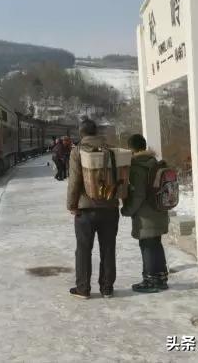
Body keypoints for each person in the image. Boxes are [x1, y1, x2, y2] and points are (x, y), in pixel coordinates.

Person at [67, 119, 120, 298]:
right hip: (110, 207)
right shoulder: (110, 149)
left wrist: (71, 205)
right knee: (108, 248)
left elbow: (74, 181)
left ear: (81, 133)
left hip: (86, 209)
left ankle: (83, 289)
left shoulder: (77, 151)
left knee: (83, 249)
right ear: (96, 132)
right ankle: (107, 288)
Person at [121, 134, 169, 293]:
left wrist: (127, 210)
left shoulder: (137, 167)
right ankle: (161, 278)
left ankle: (150, 280)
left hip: (146, 215)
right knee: (156, 243)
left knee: (147, 245)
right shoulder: (154, 162)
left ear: (130, 149)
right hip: (159, 210)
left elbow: (138, 195)